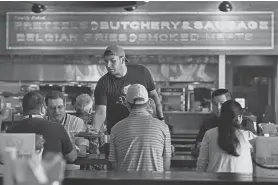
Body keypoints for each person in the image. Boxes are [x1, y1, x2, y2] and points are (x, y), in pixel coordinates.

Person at [92, 45, 164, 134]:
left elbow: (154, 96)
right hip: (118, 133)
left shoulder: (142, 72)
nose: (108, 65)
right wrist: (94, 133)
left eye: (112, 61)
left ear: (122, 59)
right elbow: (100, 112)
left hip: (144, 130)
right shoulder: (103, 83)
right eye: (106, 61)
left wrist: (161, 118)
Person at [108, 84, 171, 171]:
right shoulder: (163, 127)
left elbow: (113, 163)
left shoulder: (115, 128)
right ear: (148, 102)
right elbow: (166, 165)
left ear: (127, 104)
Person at [6, 91, 77, 162]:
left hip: (19, 172)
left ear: (23, 109)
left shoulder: (10, 130)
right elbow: (71, 157)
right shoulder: (58, 128)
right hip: (50, 172)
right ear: (43, 108)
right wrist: (73, 146)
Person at [191, 89, 256, 158]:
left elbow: (254, 148)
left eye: (222, 104)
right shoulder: (208, 123)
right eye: (215, 104)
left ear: (230, 104)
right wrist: (198, 147)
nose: (218, 108)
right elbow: (197, 146)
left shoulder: (246, 122)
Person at [196, 100, 256, 173]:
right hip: (243, 180)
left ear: (221, 116)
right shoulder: (249, 136)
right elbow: (258, 160)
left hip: (214, 180)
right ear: (239, 117)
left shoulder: (209, 134)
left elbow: (202, 163)